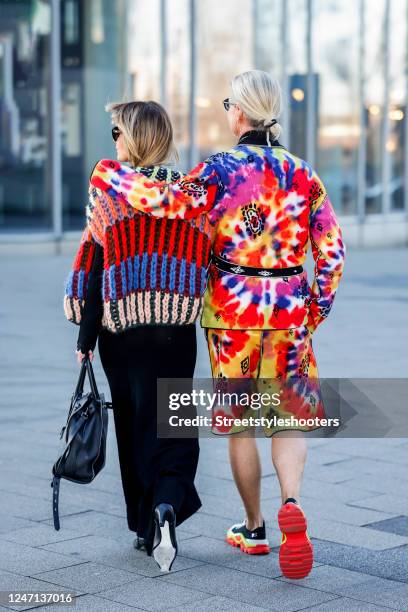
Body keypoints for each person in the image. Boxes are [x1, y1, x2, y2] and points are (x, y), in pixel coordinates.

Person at [88, 70, 346, 579]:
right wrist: (315, 308)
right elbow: (332, 251)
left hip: (232, 313)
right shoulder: (303, 174)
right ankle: (291, 503)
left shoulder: (218, 171)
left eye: (230, 103)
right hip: (290, 307)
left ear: (241, 113)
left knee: (241, 424)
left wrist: (111, 176)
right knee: (288, 417)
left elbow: (165, 202)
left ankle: (253, 527)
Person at [64, 100, 215, 572]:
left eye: (117, 132)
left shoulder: (109, 191)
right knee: (173, 423)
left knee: (132, 424)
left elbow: (94, 265)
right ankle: (167, 505)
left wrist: (85, 338)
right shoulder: (194, 197)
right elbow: (208, 258)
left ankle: (144, 526)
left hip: (120, 334)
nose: (114, 141)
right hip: (174, 331)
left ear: (136, 137)